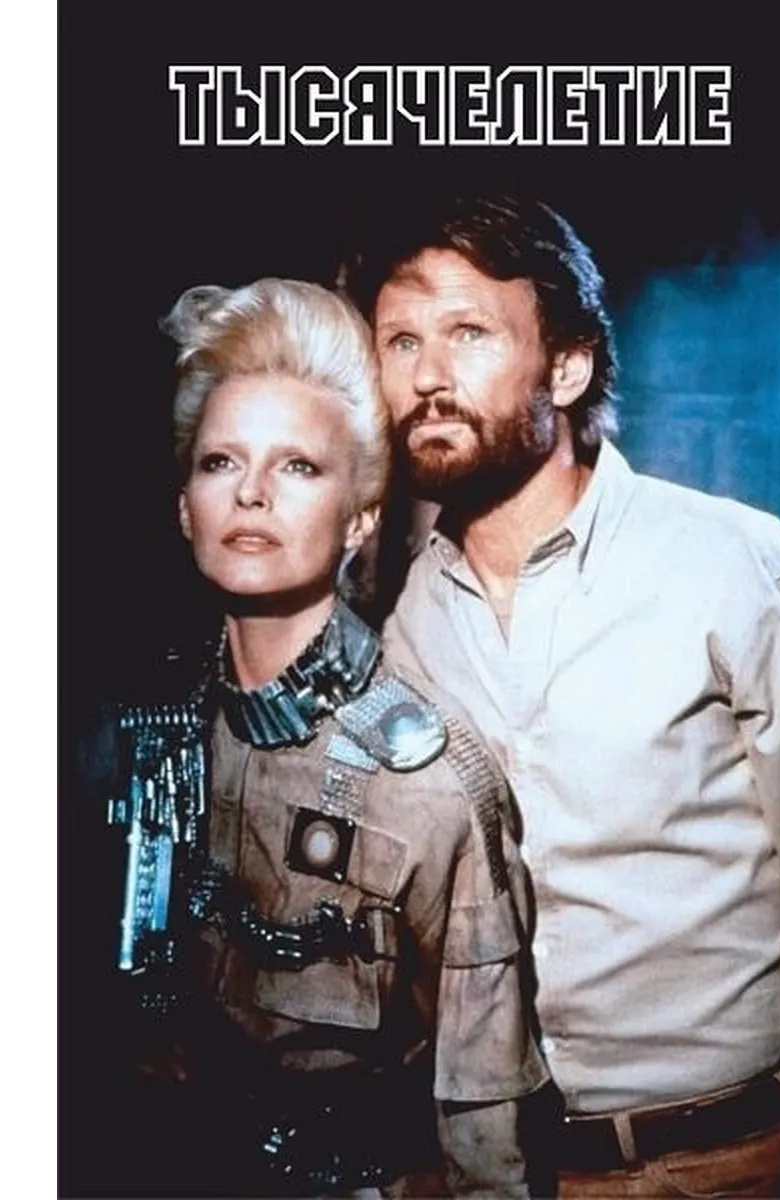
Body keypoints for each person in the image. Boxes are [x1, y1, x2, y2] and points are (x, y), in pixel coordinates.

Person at [340, 195, 780, 1198]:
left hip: (735, 1163)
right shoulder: (397, 629)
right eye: (400, 342)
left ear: (567, 368)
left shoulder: (733, 566)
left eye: (468, 333)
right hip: (508, 1174)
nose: (428, 377)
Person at [81, 277, 548, 1198]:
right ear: (184, 508)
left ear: (361, 518)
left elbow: (487, 1131)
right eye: (220, 462)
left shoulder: (428, 783)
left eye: (298, 467)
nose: (251, 493)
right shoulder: (127, 737)